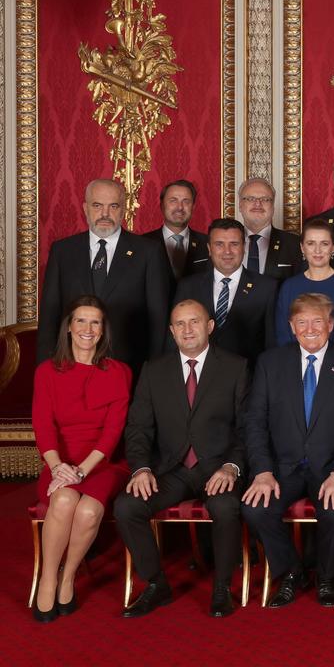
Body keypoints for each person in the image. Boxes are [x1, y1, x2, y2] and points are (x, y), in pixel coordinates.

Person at [114, 300, 250, 619]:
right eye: (180, 324)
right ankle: (157, 583)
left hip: (217, 468)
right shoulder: (153, 370)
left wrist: (232, 466)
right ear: (172, 332)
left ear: (210, 326)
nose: (188, 330)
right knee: (127, 506)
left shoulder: (236, 367)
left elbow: (248, 428)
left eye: (194, 322)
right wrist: (142, 468)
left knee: (225, 507)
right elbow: (138, 427)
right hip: (171, 469)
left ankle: (221, 587)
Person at [242, 293, 334, 609]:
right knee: (255, 509)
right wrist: (262, 471)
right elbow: (254, 422)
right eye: (302, 322)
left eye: (317, 321)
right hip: (282, 467)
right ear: (291, 325)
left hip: (331, 468)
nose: (310, 328)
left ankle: (326, 577)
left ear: (331, 324)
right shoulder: (270, 363)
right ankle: (291, 573)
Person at [30, 296, 131, 622]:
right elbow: (42, 424)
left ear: (103, 331)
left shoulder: (118, 372)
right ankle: (48, 577)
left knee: (88, 509)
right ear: (69, 327)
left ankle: (68, 575)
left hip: (103, 463)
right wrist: (59, 467)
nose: (88, 329)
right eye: (82, 321)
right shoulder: (47, 371)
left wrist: (82, 470)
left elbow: (112, 432)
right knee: (62, 502)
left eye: (96, 322)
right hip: (58, 460)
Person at [38, 179, 171, 376]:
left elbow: (159, 320)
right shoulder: (63, 251)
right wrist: (46, 371)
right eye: (97, 205)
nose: (105, 214)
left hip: (130, 370)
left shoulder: (148, 252)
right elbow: (49, 317)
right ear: (85, 208)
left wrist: (154, 373)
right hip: (70, 368)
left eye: (113, 206)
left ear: (124, 209)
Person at [173, 218, 277, 367]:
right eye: (219, 244)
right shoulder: (188, 286)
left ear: (244, 247)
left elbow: (271, 343)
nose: (227, 251)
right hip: (199, 377)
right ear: (209, 249)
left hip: (249, 378)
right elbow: (175, 337)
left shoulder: (267, 287)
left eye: (234, 244)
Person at [275, 218, 334, 347]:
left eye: (324, 243)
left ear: (333, 247)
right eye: (311, 243)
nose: (317, 250)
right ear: (302, 247)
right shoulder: (289, 286)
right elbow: (283, 335)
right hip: (295, 361)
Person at [141, 179, 209, 280]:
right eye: (173, 201)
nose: (180, 207)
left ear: (193, 206)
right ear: (162, 205)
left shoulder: (208, 243)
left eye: (186, 201)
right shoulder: (142, 244)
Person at [237, 177, 303, 281]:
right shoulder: (224, 245)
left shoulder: (296, 245)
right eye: (250, 199)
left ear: (273, 206)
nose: (258, 204)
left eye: (265, 199)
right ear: (240, 205)